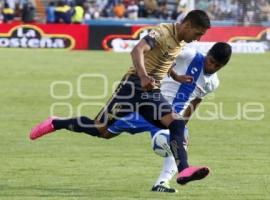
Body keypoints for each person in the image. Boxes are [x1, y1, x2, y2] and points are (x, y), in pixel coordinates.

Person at [30, 10, 211, 186]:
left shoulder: (180, 41)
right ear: (187, 25)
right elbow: (137, 50)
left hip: (151, 92)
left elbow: (164, 59)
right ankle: (56, 123)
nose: (198, 38)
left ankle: (184, 170)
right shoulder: (162, 33)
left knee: (177, 123)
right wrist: (142, 76)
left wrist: (176, 76)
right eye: (198, 33)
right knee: (100, 129)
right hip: (132, 87)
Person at [106, 42, 232, 192]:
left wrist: (183, 124)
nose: (212, 67)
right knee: (106, 131)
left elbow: (196, 101)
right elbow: (163, 53)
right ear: (208, 53)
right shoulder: (189, 54)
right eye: (211, 61)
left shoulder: (213, 83)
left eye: (218, 66)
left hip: (171, 118)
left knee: (180, 140)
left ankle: (162, 183)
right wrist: (171, 72)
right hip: (151, 107)